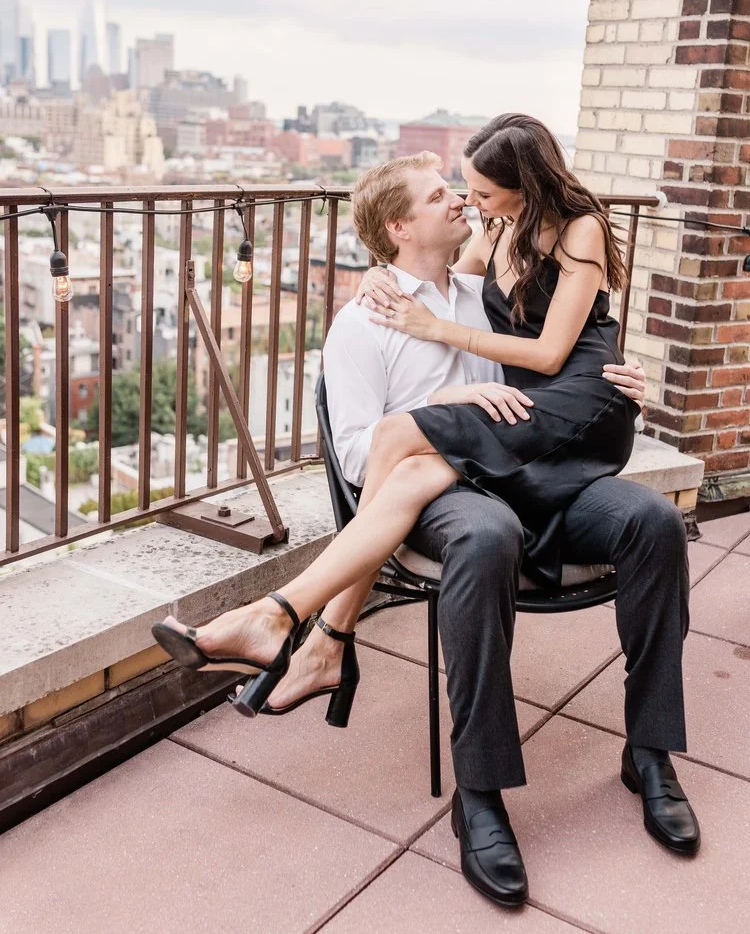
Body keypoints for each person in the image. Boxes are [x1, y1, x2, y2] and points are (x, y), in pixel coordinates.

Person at [153, 119, 699, 908]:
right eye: (446, 194)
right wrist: (447, 393)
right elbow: (353, 459)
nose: (465, 203)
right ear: (400, 228)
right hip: (453, 499)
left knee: (650, 520)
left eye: (470, 192)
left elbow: (557, 345)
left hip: (539, 470)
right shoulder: (362, 319)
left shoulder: (486, 283)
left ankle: (649, 751)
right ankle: (480, 793)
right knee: (484, 535)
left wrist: (616, 372)